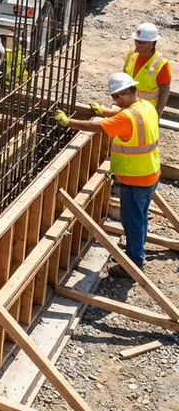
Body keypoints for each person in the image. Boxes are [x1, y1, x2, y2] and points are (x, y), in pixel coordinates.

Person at [55, 72, 159, 276]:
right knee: (141, 217)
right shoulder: (145, 107)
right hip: (150, 173)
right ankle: (136, 252)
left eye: (116, 99)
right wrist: (104, 110)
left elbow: (97, 126)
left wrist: (69, 123)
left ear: (122, 95)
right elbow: (122, 118)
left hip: (135, 180)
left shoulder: (128, 116)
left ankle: (133, 264)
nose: (116, 102)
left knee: (132, 221)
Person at [119, 22, 172, 116]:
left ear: (151, 43)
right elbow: (124, 78)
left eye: (141, 42)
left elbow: (164, 91)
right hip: (129, 108)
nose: (137, 44)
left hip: (147, 112)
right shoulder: (131, 54)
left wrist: (157, 113)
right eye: (136, 40)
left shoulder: (161, 64)